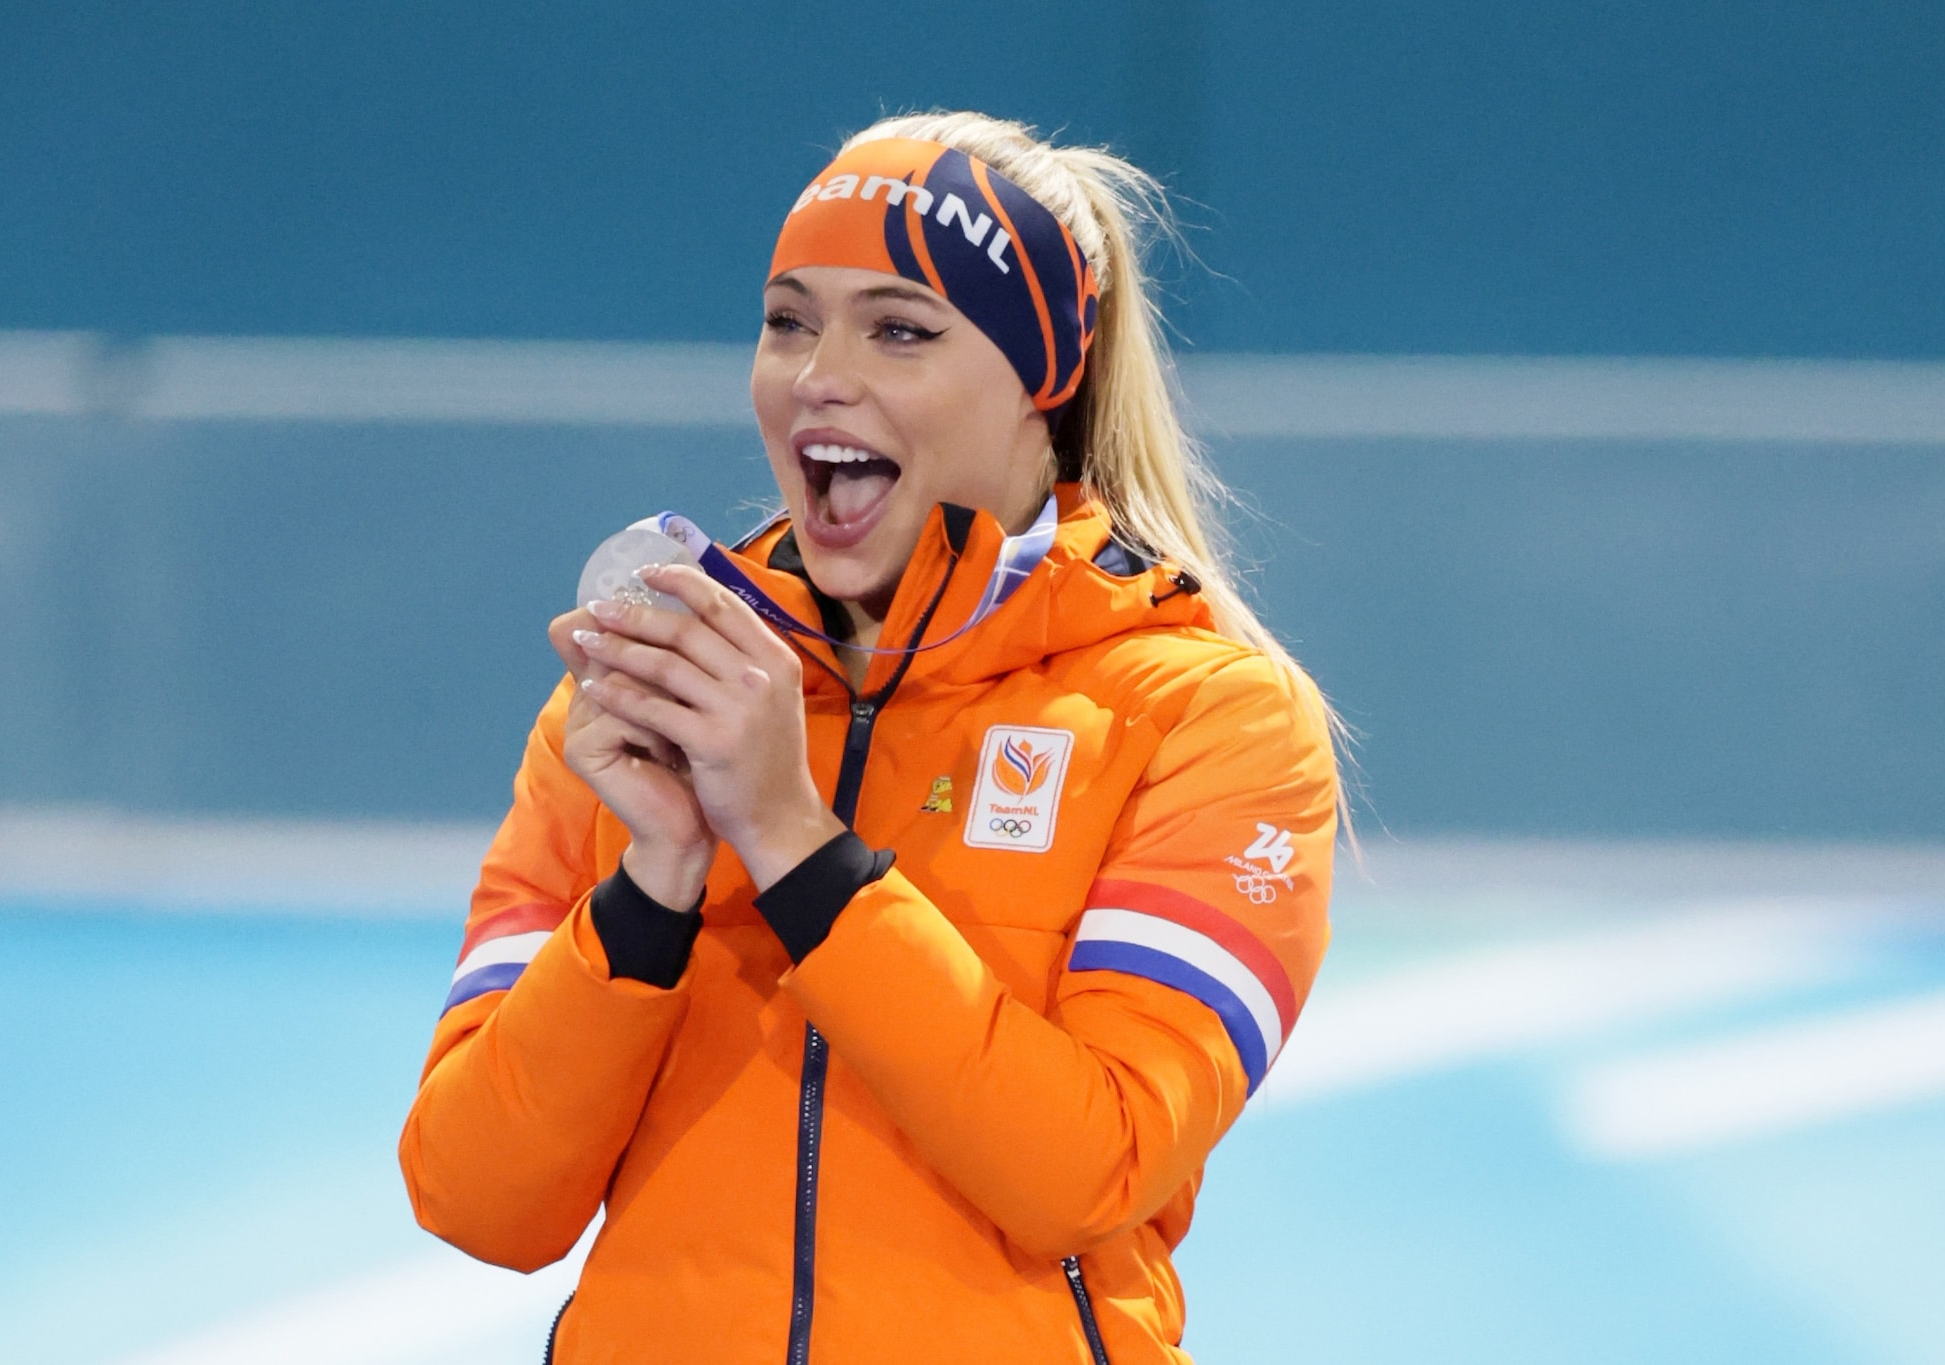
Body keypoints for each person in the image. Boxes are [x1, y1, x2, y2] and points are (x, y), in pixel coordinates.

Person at [399, 111, 1340, 1365]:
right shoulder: (644, 696)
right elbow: (475, 1201)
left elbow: (1084, 1167)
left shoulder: (1204, 717)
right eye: (788, 321)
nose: (815, 376)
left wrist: (791, 841)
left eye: (898, 330)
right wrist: (652, 887)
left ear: (1041, 375)